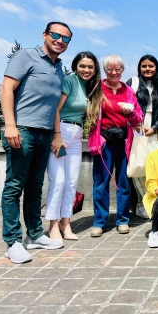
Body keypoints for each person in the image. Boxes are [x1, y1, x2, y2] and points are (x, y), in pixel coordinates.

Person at [0, 22, 71, 263]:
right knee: (14, 186)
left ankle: (35, 234)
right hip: (22, 130)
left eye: (65, 38)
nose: (60, 40)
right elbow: (7, 88)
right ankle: (12, 241)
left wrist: (56, 134)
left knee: (35, 186)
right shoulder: (26, 56)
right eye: (55, 35)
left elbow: (54, 106)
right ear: (45, 34)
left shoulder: (59, 67)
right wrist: (10, 125)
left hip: (44, 134)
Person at [46, 51, 102, 241]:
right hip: (60, 131)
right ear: (75, 66)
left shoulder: (91, 87)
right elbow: (55, 109)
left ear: (95, 70)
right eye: (82, 66)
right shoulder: (69, 81)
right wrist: (57, 136)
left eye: (90, 67)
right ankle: (53, 225)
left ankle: (66, 223)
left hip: (77, 135)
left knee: (71, 182)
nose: (86, 70)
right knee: (58, 181)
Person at [89, 55, 144, 238]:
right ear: (104, 71)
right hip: (104, 141)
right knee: (101, 183)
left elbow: (139, 119)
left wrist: (131, 113)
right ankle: (99, 221)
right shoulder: (97, 89)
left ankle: (122, 219)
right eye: (110, 69)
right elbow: (89, 116)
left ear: (122, 70)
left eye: (117, 69)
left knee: (123, 183)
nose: (114, 73)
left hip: (123, 141)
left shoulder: (128, 91)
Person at [126, 55, 158, 218]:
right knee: (139, 167)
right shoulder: (133, 83)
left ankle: (156, 201)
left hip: (155, 133)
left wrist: (155, 128)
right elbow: (127, 105)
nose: (147, 69)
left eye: (151, 66)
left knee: (155, 168)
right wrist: (137, 124)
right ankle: (141, 203)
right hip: (137, 132)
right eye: (144, 66)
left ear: (156, 68)